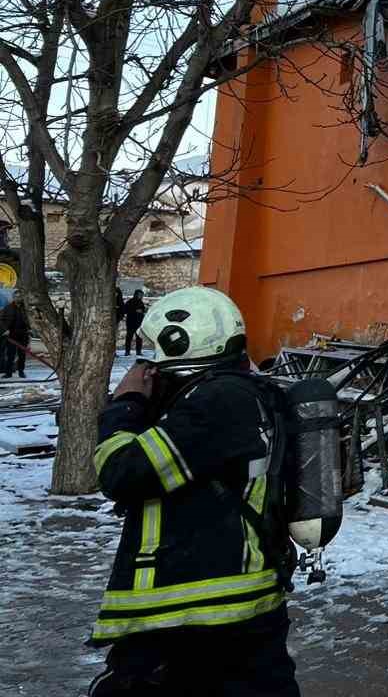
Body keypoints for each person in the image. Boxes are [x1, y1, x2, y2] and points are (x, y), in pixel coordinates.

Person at [88, 286, 300, 696]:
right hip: (235, 605)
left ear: (180, 342)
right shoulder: (244, 394)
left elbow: (121, 473)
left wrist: (126, 403)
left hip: (194, 614)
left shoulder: (216, 401)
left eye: (155, 350)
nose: (149, 362)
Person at [0, 292, 29, 378]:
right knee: (10, 355)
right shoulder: (8, 308)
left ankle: (21, 372)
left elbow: (30, 319)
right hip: (11, 335)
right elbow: (1, 320)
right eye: (16, 297)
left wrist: (30, 329)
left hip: (23, 334)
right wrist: (5, 330)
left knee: (22, 355)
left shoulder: (26, 308)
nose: (18, 298)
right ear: (13, 298)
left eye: (20, 296)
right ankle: (8, 373)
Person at [119, 290, 146, 357]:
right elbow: (125, 310)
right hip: (131, 322)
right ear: (136, 294)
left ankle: (138, 351)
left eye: (141, 295)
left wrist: (141, 311)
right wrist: (135, 311)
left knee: (139, 337)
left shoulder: (141, 302)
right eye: (140, 295)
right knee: (129, 337)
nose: (141, 296)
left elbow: (143, 310)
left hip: (139, 322)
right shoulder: (130, 302)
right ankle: (127, 351)